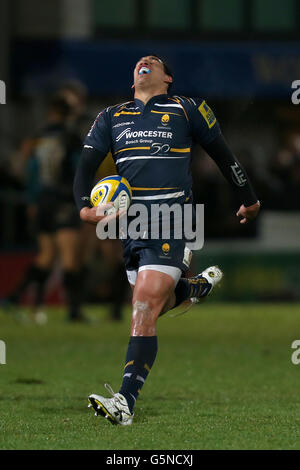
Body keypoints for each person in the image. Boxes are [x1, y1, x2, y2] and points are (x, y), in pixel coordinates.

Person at [73, 54, 260, 425]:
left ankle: (124, 402)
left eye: (154, 61)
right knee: (153, 303)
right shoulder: (111, 116)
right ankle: (190, 290)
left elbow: (224, 155)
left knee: (143, 306)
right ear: (133, 79)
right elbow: (84, 169)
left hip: (173, 218)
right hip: (130, 226)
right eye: (141, 60)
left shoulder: (186, 108)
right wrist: (84, 209)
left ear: (167, 78)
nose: (146, 61)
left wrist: (249, 198)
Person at [6, 96, 87, 322]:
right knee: (70, 259)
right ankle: (74, 311)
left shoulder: (36, 139)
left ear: (50, 113)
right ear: (68, 115)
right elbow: (79, 170)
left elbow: (27, 171)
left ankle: (14, 297)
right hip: (63, 201)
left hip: (42, 203)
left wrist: (32, 200)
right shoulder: (70, 138)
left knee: (46, 256)